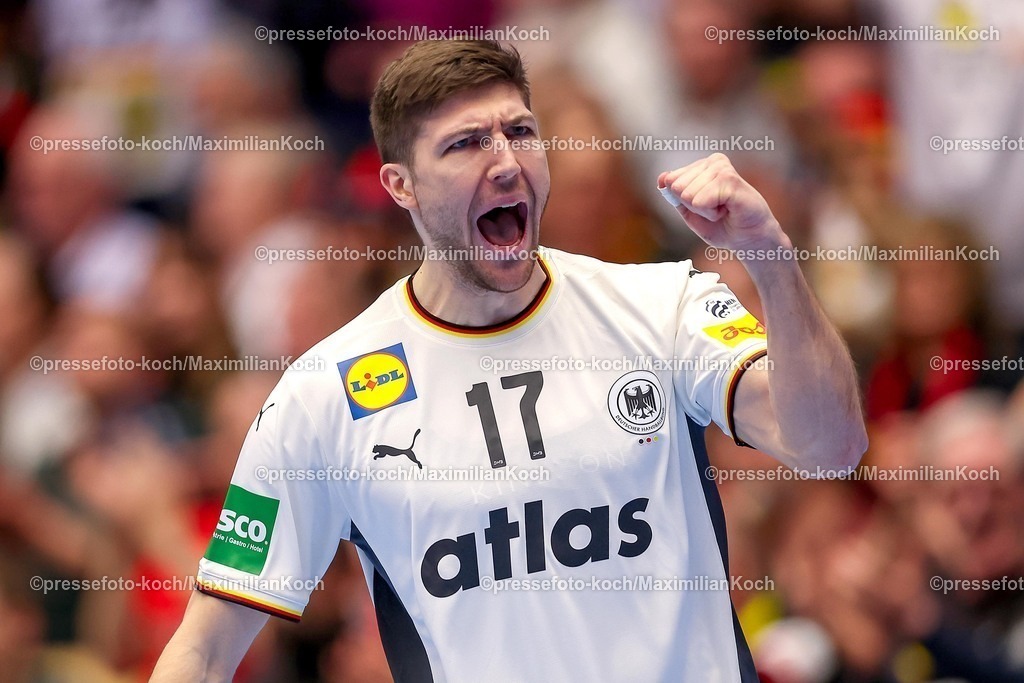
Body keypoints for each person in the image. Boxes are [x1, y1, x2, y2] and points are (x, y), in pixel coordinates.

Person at [151, 40, 866, 682]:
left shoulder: (660, 305)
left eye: (520, 131)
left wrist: (770, 256)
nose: (505, 161)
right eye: (465, 144)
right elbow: (206, 647)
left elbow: (831, 444)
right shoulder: (323, 395)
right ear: (400, 185)